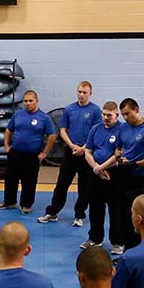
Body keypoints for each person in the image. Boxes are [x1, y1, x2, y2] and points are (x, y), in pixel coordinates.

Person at [38, 81, 100, 226]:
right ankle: (52, 212)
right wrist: (72, 145)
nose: (81, 95)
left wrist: (84, 148)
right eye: (79, 92)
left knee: (84, 187)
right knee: (61, 183)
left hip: (87, 153)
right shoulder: (69, 109)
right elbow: (63, 130)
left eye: (84, 92)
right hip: (70, 151)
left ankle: (79, 215)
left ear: (90, 93)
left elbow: (96, 133)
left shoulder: (96, 111)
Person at [0, 90, 56, 215]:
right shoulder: (18, 115)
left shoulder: (44, 118)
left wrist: (44, 153)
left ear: (36, 101)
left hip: (32, 155)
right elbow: (8, 130)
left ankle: (26, 204)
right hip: (15, 153)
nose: (28, 103)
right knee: (10, 179)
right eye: (25, 101)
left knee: (29, 181)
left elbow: (52, 136)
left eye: (30, 101)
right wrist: (7, 146)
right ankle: (9, 201)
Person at [81, 101, 127, 253]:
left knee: (115, 209)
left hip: (114, 173)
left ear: (116, 115)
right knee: (95, 207)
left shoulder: (122, 129)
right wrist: (96, 168)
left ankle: (118, 242)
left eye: (109, 115)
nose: (106, 118)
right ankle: (95, 238)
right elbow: (88, 151)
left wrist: (102, 167)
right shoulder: (95, 128)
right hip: (96, 173)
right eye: (104, 114)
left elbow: (118, 153)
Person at [115, 98, 144, 251]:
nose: (125, 117)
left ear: (136, 109)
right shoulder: (123, 128)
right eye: (123, 115)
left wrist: (134, 163)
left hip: (139, 176)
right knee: (122, 213)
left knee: (136, 213)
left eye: (127, 113)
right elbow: (119, 148)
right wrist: (119, 157)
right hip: (123, 174)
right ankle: (126, 246)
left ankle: (137, 247)